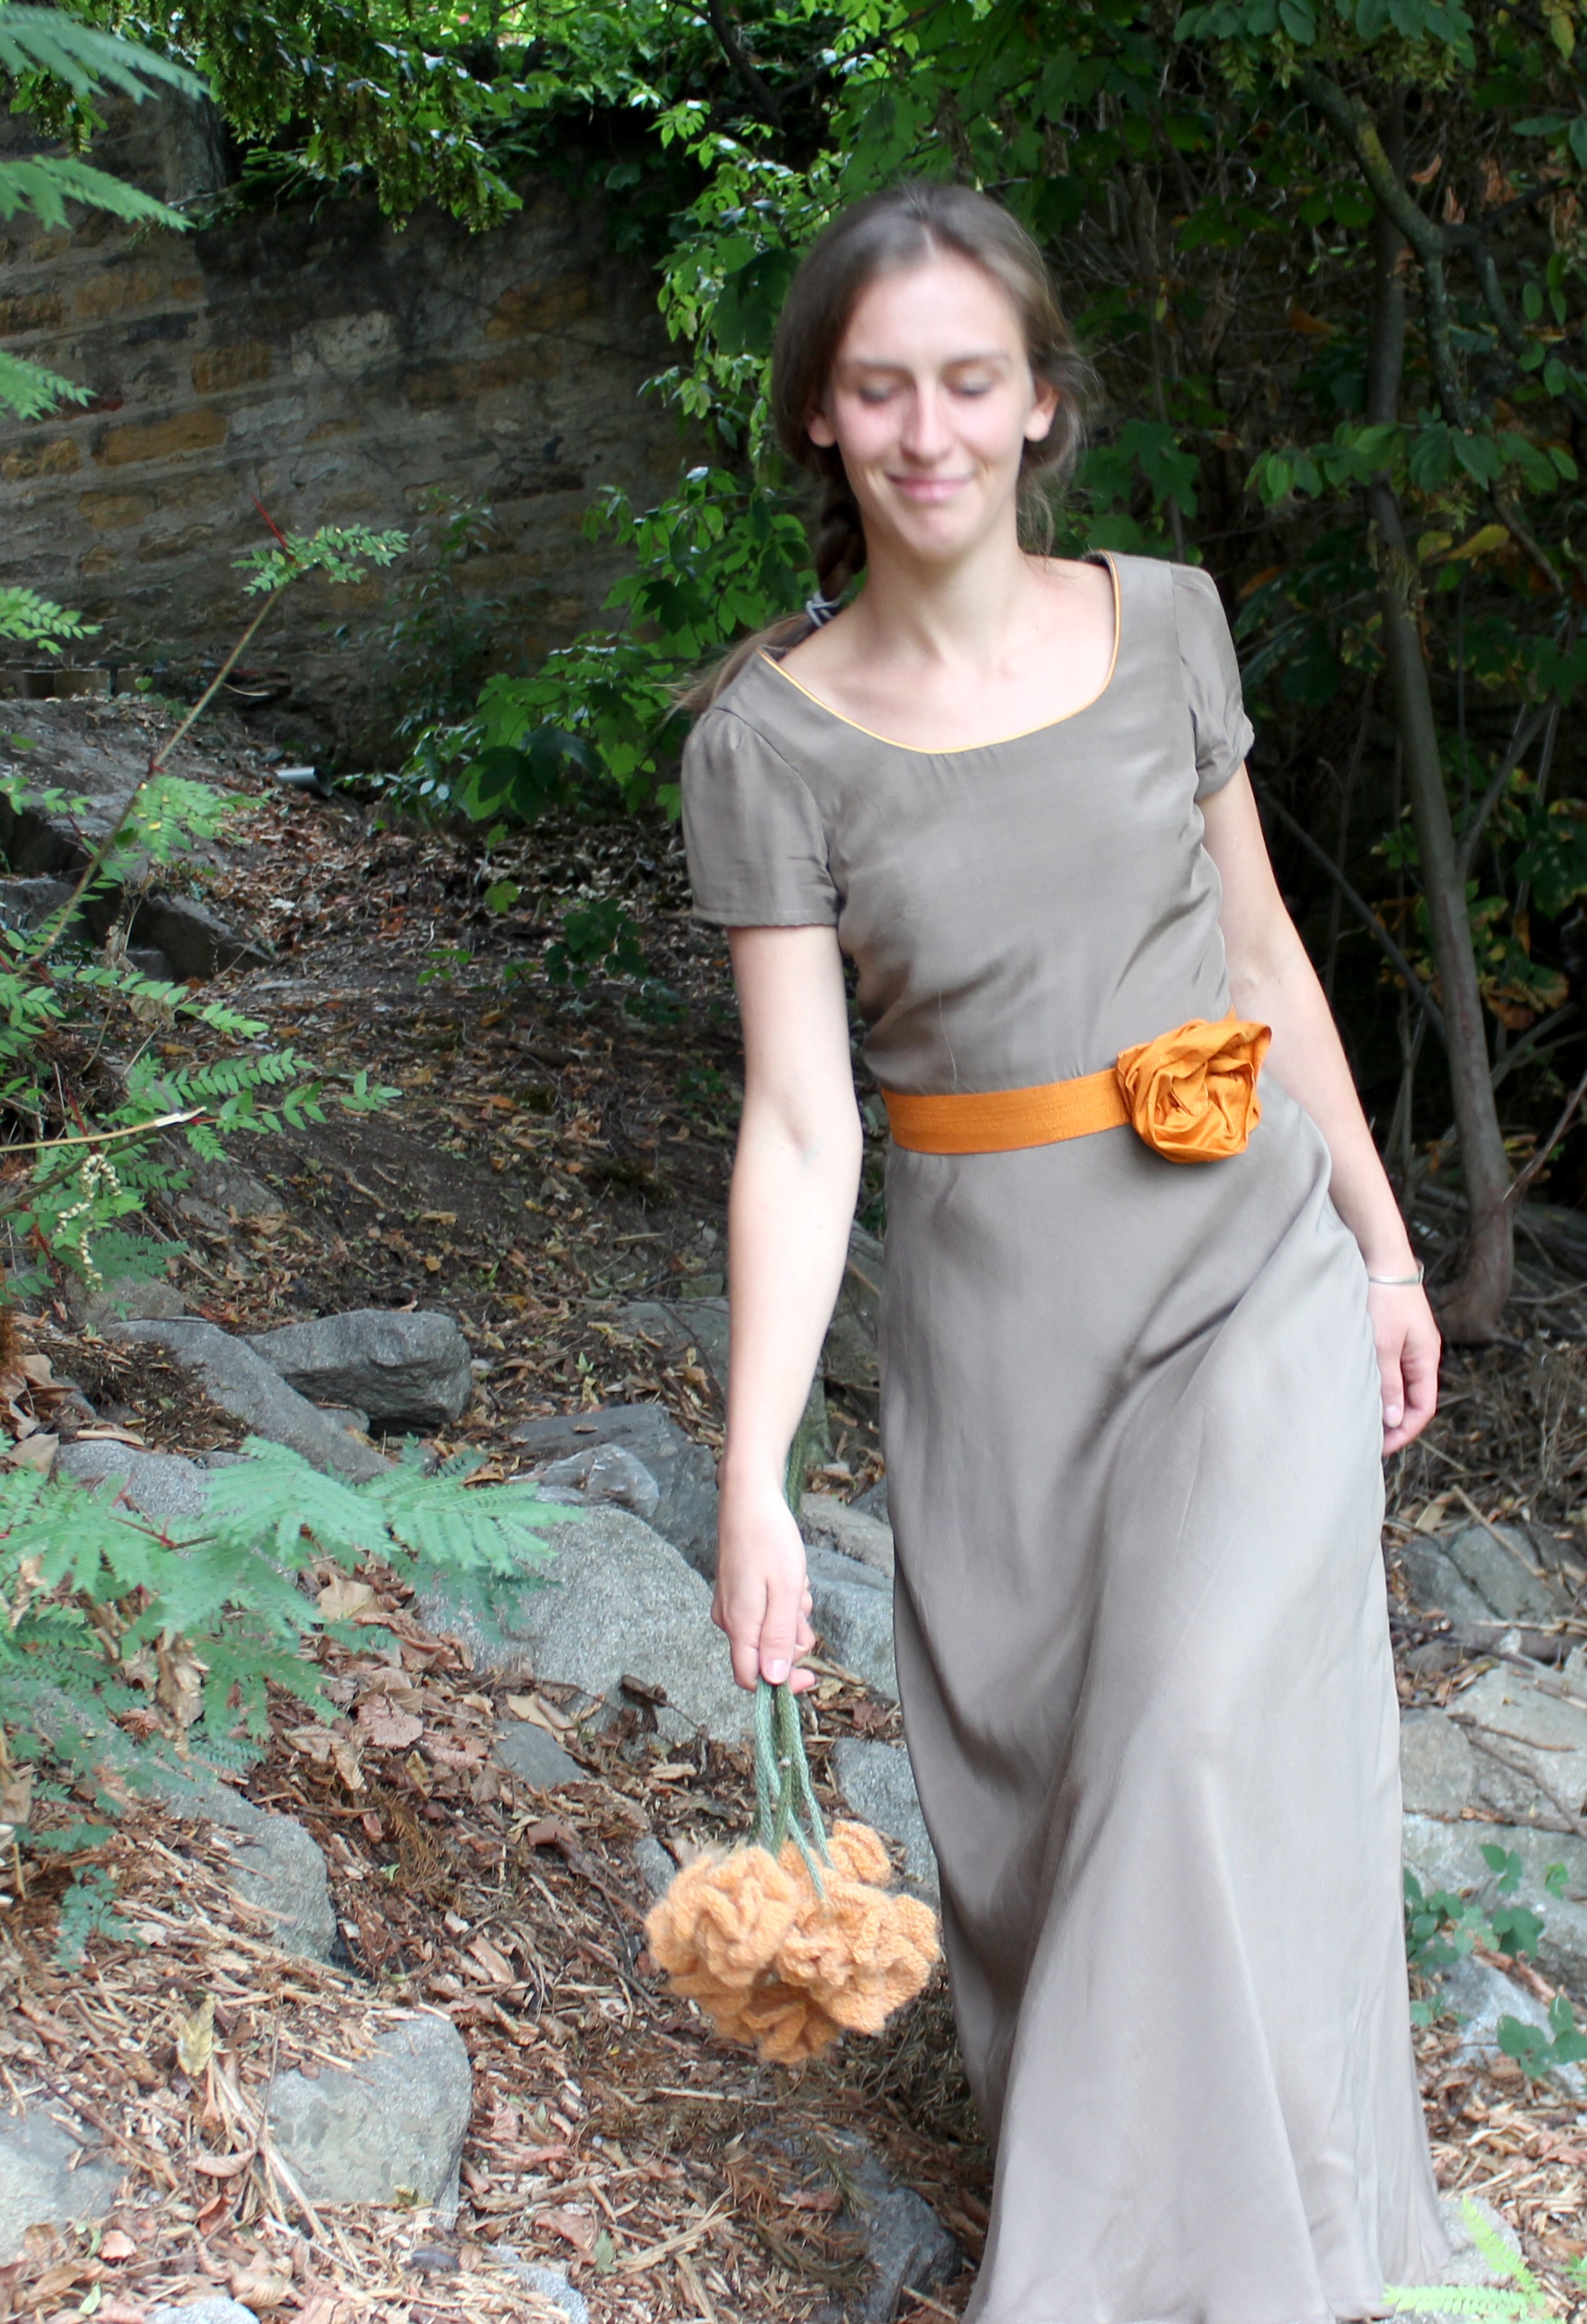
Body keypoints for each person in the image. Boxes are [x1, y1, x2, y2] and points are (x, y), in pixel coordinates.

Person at [679, 179, 1449, 2323]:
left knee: (1192, 1728)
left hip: (1244, 1268)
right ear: (820, 417)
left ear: (1040, 403)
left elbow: (1266, 959)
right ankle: (1232, 2212)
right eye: (880, 389)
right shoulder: (767, 741)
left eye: (970, 382)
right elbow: (803, 1124)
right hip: (1002, 1324)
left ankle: (1147, 2287)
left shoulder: (1169, 627)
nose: (927, 431)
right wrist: (753, 1478)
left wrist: (1385, 1250)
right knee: (1058, 1792)